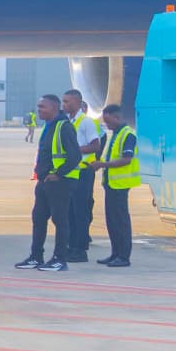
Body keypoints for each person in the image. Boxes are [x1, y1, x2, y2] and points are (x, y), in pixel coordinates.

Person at [20, 93, 77, 271]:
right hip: (45, 181)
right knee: (38, 218)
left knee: (60, 220)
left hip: (59, 182)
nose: (38, 110)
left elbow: (75, 156)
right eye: (38, 107)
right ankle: (36, 256)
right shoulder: (49, 126)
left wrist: (58, 174)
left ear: (53, 108)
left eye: (42, 107)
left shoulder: (64, 127)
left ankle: (60, 259)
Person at [91, 103, 141, 266]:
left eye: (109, 121)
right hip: (111, 185)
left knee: (121, 222)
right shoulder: (116, 134)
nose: (107, 125)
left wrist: (102, 165)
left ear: (117, 117)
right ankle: (115, 253)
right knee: (112, 221)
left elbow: (126, 160)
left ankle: (123, 256)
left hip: (121, 185)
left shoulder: (128, 135)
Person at [61, 87, 103, 266]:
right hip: (71, 172)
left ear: (77, 103)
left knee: (80, 211)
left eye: (67, 101)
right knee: (70, 211)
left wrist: (75, 151)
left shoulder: (86, 122)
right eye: (63, 101)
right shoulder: (67, 121)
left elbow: (95, 145)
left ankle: (81, 249)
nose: (64, 105)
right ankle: (72, 246)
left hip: (83, 172)